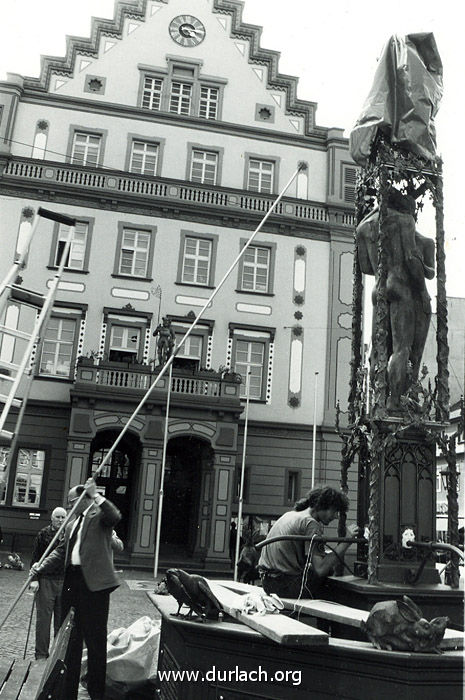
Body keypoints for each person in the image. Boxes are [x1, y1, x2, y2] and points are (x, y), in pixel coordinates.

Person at [30, 477, 121, 700]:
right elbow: (61, 552)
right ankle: (67, 692)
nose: (69, 506)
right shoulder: (71, 524)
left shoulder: (98, 515)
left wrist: (96, 494)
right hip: (72, 582)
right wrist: (40, 566)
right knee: (71, 637)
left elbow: (114, 516)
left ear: (83, 498)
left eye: (72, 501)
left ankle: (95, 692)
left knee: (95, 639)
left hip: (94, 586)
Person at [356, 188, 435, 410]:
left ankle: (377, 399)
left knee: (380, 348)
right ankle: (396, 402)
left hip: (378, 290)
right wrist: (421, 291)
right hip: (401, 288)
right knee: (402, 349)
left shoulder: (363, 226)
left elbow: (365, 267)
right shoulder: (404, 220)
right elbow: (410, 259)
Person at [258, 485, 359, 599]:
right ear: (323, 505)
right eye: (334, 511)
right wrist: (347, 541)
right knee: (334, 588)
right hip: (284, 585)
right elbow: (320, 569)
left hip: (268, 582)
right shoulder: (311, 524)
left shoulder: (291, 515)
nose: (335, 516)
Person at [29, 506, 67, 660]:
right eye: (57, 517)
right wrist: (35, 579)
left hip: (64, 581)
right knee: (43, 621)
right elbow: (35, 559)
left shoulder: (69, 534)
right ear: (52, 518)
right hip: (46, 581)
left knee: (61, 622)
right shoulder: (43, 534)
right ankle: (41, 655)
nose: (60, 520)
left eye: (63, 517)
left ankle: (58, 656)